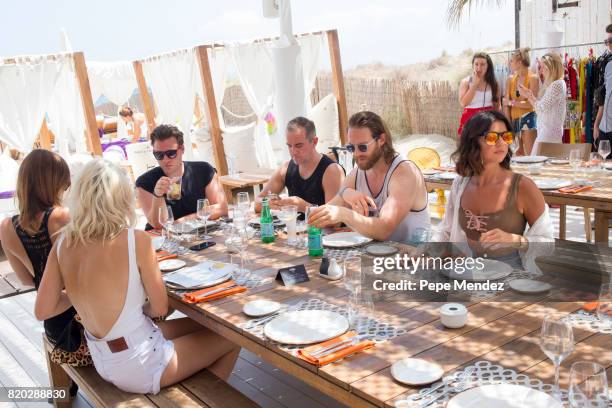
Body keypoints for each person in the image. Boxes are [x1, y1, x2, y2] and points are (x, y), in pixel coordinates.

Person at [35, 159, 240, 395]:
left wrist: (84, 292)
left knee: (204, 325)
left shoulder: (63, 244)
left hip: (104, 358)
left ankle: (195, 384)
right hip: (140, 363)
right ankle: (203, 396)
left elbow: (43, 310)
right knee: (232, 337)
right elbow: (160, 307)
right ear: (121, 198)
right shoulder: (136, 240)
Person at [0, 150, 91, 367]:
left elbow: (25, 280)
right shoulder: (61, 216)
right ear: (54, 183)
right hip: (83, 328)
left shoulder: (6, 226)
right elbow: (86, 272)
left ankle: (65, 391)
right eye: (65, 183)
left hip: (55, 331)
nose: (67, 188)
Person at [433, 111, 554, 269]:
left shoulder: (523, 187)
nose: (501, 143)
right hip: (467, 271)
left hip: (512, 278)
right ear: (473, 142)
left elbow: (548, 243)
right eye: (492, 137)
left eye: (506, 137)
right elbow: (446, 231)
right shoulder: (460, 184)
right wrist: (426, 250)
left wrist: (515, 240)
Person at [308, 111, 430, 243]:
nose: (356, 154)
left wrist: (344, 214)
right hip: (377, 256)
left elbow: (384, 229)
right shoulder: (358, 173)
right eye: (351, 147)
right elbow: (322, 219)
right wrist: (344, 193)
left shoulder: (404, 173)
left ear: (381, 140)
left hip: (413, 259)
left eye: (362, 147)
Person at [136, 124, 228, 229]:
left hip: (197, 233)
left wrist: (183, 221)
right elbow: (158, 225)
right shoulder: (144, 182)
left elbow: (222, 208)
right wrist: (158, 195)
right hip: (164, 240)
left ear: (182, 149)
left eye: (171, 153)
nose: (165, 159)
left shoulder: (203, 170)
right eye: (159, 155)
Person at [255, 117, 345, 213]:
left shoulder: (332, 171)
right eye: (289, 146)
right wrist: (269, 204)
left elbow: (335, 220)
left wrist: (305, 207)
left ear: (314, 142)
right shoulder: (285, 169)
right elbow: (257, 201)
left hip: (321, 228)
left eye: (299, 146)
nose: (293, 152)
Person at [518, 53, 566, 155]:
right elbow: (541, 109)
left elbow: (541, 108)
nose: (541, 70)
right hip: (546, 133)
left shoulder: (557, 84)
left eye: (544, 67)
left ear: (551, 68)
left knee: (537, 166)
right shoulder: (554, 84)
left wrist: (529, 96)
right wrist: (529, 95)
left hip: (548, 135)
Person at [504, 48, 539, 155]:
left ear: (519, 63)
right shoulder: (510, 79)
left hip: (528, 118)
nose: (509, 63)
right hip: (514, 120)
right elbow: (505, 104)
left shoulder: (533, 78)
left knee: (530, 155)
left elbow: (531, 104)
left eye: (512, 61)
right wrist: (507, 123)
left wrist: (512, 103)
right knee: (517, 155)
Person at [458, 52, 501, 136]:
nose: (479, 68)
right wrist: (474, 85)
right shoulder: (466, 82)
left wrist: (499, 124)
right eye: (476, 64)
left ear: (488, 66)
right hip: (470, 122)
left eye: (482, 64)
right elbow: (463, 103)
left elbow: (497, 106)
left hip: (489, 122)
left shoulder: (494, 84)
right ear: (473, 65)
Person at [593, 23, 612, 160]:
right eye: (607, 41)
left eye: (611, 41)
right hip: (605, 129)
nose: (609, 44)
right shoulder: (608, 65)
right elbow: (604, 99)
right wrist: (596, 125)